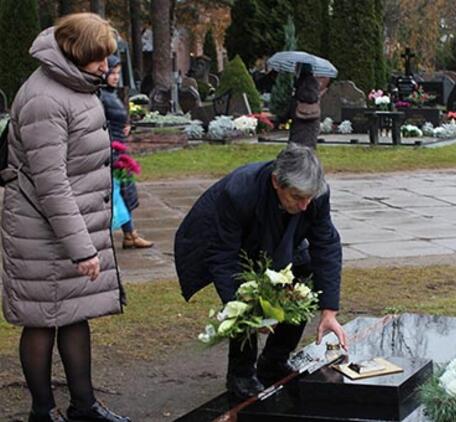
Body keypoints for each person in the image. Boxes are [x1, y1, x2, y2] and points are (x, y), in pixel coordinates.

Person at [1, 13, 129, 422]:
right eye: (99, 57)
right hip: (40, 228)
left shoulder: (74, 85)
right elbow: (50, 183)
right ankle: (43, 412)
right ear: (76, 52)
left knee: (74, 314)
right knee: (41, 322)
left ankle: (84, 406)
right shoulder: (45, 98)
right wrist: (81, 248)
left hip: (65, 223)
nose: (106, 66)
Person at [174, 143, 347, 399]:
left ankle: (274, 361)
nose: (304, 206)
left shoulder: (314, 195)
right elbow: (224, 258)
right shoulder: (240, 191)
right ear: (277, 182)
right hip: (234, 242)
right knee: (245, 292)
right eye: (297, 197)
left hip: (284, 235)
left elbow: (326, 245)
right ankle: (241, 374)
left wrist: (329, 310)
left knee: (302, 281)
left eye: (308, 198)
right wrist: (253, 313)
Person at [100, 54, 153, 249]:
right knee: (117, 194)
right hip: (111, 151)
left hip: (119, 148)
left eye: (118, 73)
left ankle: (130, 234)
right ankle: (130, 234)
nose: (115, 76)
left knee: (123, 193)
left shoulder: (110, 94)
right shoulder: (100, 96)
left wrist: (125, 125)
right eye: (112, 72)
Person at [287, 64, 330, 149]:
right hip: (311, 136)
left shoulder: (297, 95)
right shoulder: (316, 95)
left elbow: (287, 114)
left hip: (296, 136)